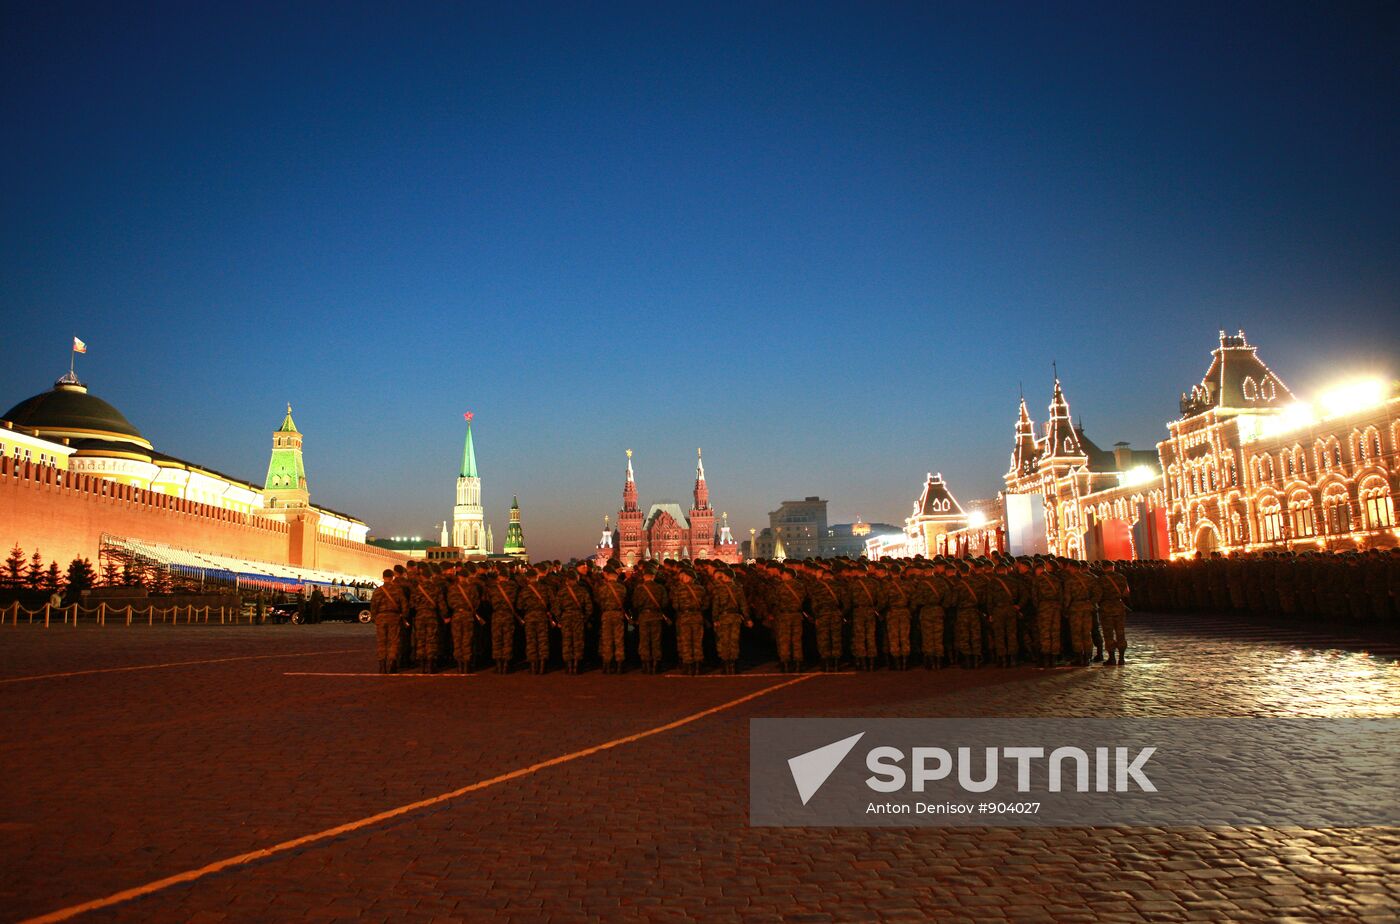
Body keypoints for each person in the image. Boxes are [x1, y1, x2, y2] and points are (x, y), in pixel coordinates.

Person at [709, 567, 750, 674]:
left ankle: (726, 665)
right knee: (734, 641)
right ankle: (734, 665)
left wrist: (715, 619)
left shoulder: (719, 589)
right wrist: (747, 618)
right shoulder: (738, 588)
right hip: (736, 618)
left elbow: (715, 606)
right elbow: (744, 605)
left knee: (724, 641)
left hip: (723, 618)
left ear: (725, 576)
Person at [671, 568, 710, 675]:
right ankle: (698, 666)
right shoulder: (701, 589)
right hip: (697, 617)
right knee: (697, 642)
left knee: (686, 642)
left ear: (688, 577)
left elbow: (675, 606)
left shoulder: (679, 590)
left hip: (684, 617)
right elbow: (706, 604)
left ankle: (688, 666)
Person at [370, 569, 407, 674]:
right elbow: (404, 604)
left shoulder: (377, 591)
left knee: (381, 642)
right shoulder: (398, 590)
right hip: (394, 617)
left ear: (383, 577)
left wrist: (374, 618)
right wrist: (403, 616)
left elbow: (373, 606)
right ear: (392, 577)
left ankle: (382, 665)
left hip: (381, 618)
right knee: (393, 641)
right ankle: (392, 664)